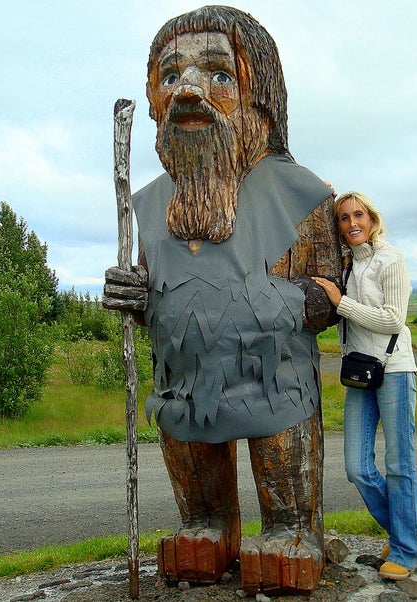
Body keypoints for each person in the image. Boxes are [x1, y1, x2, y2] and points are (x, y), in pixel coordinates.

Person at [103, 6, 342, 596]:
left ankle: (291, 529)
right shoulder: (149, 203)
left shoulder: (301, 192)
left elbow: (328, 293)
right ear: (154, 98)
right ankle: (206, 525)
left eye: (217, 75)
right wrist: (131, 293)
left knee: (279, 436)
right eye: (171, 75)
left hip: (274, 381)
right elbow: (146, 280)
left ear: (259, 96)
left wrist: (267, 304)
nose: (189, 90)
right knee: (188, 432)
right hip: (184, 378)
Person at [312, 191, 417, 581]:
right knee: (357, 468)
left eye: (358, 215)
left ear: (372, 219)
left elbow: (394, 319)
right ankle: (408, 525)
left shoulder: (389, 260)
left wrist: (340, 302)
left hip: (394, 369)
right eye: (343, 218)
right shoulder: (347, 263)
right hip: (361, 372)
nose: (351, 223)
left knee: (399, 464)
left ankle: (407, 550)